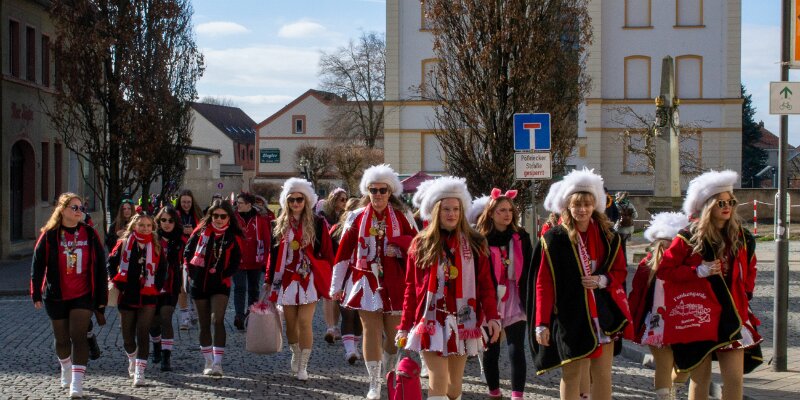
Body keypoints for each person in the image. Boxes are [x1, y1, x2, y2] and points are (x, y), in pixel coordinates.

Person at [527, 168, 633, 400]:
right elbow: (544, 283)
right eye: (577, 205)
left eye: (587, 204)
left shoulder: (609, 236)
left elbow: (619, 271)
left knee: (603, 375)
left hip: (603, 315)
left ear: (595, 205)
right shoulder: (554, 239)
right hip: (570, 315)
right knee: (572, 374)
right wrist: (542, 323)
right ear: (568, 206)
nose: (582, 210)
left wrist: (602, 280)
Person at [656, 170, 761, 400]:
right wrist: (697, 271)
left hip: (732, 315)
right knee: (700, 379)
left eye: (731, 202)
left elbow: (750, 268)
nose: (727, 207)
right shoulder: (689, 236)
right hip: (700, 316)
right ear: (708, 205)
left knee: (734, 380)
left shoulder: (743, 237)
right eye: (721, 202)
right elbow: (664, 270)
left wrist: (746, 292)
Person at [396, 176, 502, 400]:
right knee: (438, 380)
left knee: (454, 387)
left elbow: (486, 285)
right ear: (436, 210)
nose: (452, 214)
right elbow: (411, 288)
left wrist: (492, 316)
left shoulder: (476, 242)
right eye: (446, 209)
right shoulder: (421, 243)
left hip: (464, 320)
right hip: (431, 320)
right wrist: (404, 326)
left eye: (456, 209)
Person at [330, 165, 417, 399]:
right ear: (367, 191)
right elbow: (343, 253)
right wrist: (336, 286)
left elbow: (417, 246)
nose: (377, 195)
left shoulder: (403, 216)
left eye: (382, 190)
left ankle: (389, 370)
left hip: (395, 281)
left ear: (390, 192)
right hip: (365, 280)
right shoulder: (356, 217)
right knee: (371, 330)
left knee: (394, 336)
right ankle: (374, 383)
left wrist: (398, 249)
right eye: (373, 190)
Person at [31, 193, 107, 398]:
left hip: (83, 294)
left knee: (78, 336)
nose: (79, 211)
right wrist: (36, 292)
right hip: (56, 295)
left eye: (81, 208)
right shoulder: (50, 236)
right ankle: (65, 366)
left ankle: (77, 382)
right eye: (74, 207)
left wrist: (101, 299)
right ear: (62, 210)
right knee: (62, 339)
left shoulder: (89, 233)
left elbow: (101, 267)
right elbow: (37, 265)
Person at [266, 178, 334, 381]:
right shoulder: (278, 224)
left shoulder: (318, 223)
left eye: (299, 199)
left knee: (305, 322)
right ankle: (295, 352)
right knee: (290, 324)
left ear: (306, 201)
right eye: (292, 200)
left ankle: (303, 365)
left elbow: (327, 252)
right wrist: (268, 279)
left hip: (308, 277)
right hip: (286, 278)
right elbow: (272, 254)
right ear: (286, 202)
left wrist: (328, 274)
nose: (296, 203)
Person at [474, 188, 532, 400]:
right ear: (491, 213)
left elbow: (530, 268)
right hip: (490, 298)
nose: (507, 214)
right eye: (502, 210)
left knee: (517, 347)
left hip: (515, 296)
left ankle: (517, 396)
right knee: (491, 349)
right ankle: (494, 393)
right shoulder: (480, 239)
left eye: (510, 210)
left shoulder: (521, 237)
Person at [628, 212, 690, 400]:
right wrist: (632, 321)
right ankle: (666, 396)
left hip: (682, 322)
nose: (664, 249)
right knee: (664, 364)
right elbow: (636, 295)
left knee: (684, 367)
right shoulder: (646, 266)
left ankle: (673, 390)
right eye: (662, 244)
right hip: (656, 323)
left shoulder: (685, 266)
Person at [108, 211, 168, 386]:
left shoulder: (156, 245)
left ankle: (140, 372)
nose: (145, 228)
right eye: (141, 225)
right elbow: (111, 263)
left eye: (149, 225)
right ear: (134, 226)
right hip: (127, 294)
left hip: (148, 295)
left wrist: (156, 286)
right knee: (127, 337)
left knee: (143, 332)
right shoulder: (123, 243)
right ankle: (132, 359)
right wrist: (117, 283)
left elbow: (163, 269)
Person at [184, 199, 242, 377]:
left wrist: (224, 274)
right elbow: (187, 253)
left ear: (229, 217)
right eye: (215, 215)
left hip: (220, 285)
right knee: (204, 323)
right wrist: (193, 274)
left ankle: (217, 363)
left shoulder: (232, 236)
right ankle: (208, 361)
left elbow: (236, 261)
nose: (219, 219)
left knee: (217, 319)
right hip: (199, 284)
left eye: (223, 216)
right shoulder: (200, 232)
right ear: (210, 216)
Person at [328, 197, 365, 364]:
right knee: (348, 313)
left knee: (357, 315)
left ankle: (353, 348)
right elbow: (331, 253)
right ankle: (350, 349)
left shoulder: (370, 227)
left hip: (361, 276)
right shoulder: (337, 229)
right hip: (344, 275)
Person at [149, 206, 185, 372]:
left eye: (170, 220)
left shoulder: (181, 240)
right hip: (153, 285)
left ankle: (166, 356)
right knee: (153, 322)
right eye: (163, 220)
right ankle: (156, 345)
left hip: (171, 284)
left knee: (166, 318)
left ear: (175, 222)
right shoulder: (152, 239)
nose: (167, 223)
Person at [232, 192, 272, 331]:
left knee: (253, 289)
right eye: (237, 203)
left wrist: (267, 260)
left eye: (240, 203)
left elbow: (266, 239)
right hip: (238, 260)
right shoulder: (234, 217)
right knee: (239, 287)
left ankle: (251, 315)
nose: (238, 205)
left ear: (249, 204)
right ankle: (239, 316)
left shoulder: (260, 218)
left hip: (256, 259)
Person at [319, 188, 348, 343]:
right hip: (327, 258)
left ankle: (337, 325)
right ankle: (331, 326)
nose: (344, 202)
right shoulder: (323, 217)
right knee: (329, 295)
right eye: (341, 199)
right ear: (334, 199)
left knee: (339, 295)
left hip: (341, 258)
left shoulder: (347, 215)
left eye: (345, 199)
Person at [176, 189, 202, 330]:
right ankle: (184, 315)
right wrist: (181, 231)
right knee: (182, 285)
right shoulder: (175, 215)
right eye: (183, 202)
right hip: (179, 253)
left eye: (188, 202)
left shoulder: (198, 215)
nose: (186, 205)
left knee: (194, 284)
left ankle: (193, 309)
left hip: (195, 253)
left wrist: (193, 231)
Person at [614, 191, 638, 257]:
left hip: (620, 228)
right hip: (629, 228)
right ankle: (624, 259)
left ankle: (623, 260)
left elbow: (613, 217)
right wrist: (628, 217)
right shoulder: (630, 204)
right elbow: (636, 216)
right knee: (623, 245)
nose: (615, 197)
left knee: (620, 247)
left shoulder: (616, 205)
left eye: (616, 196)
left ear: (618, 197)